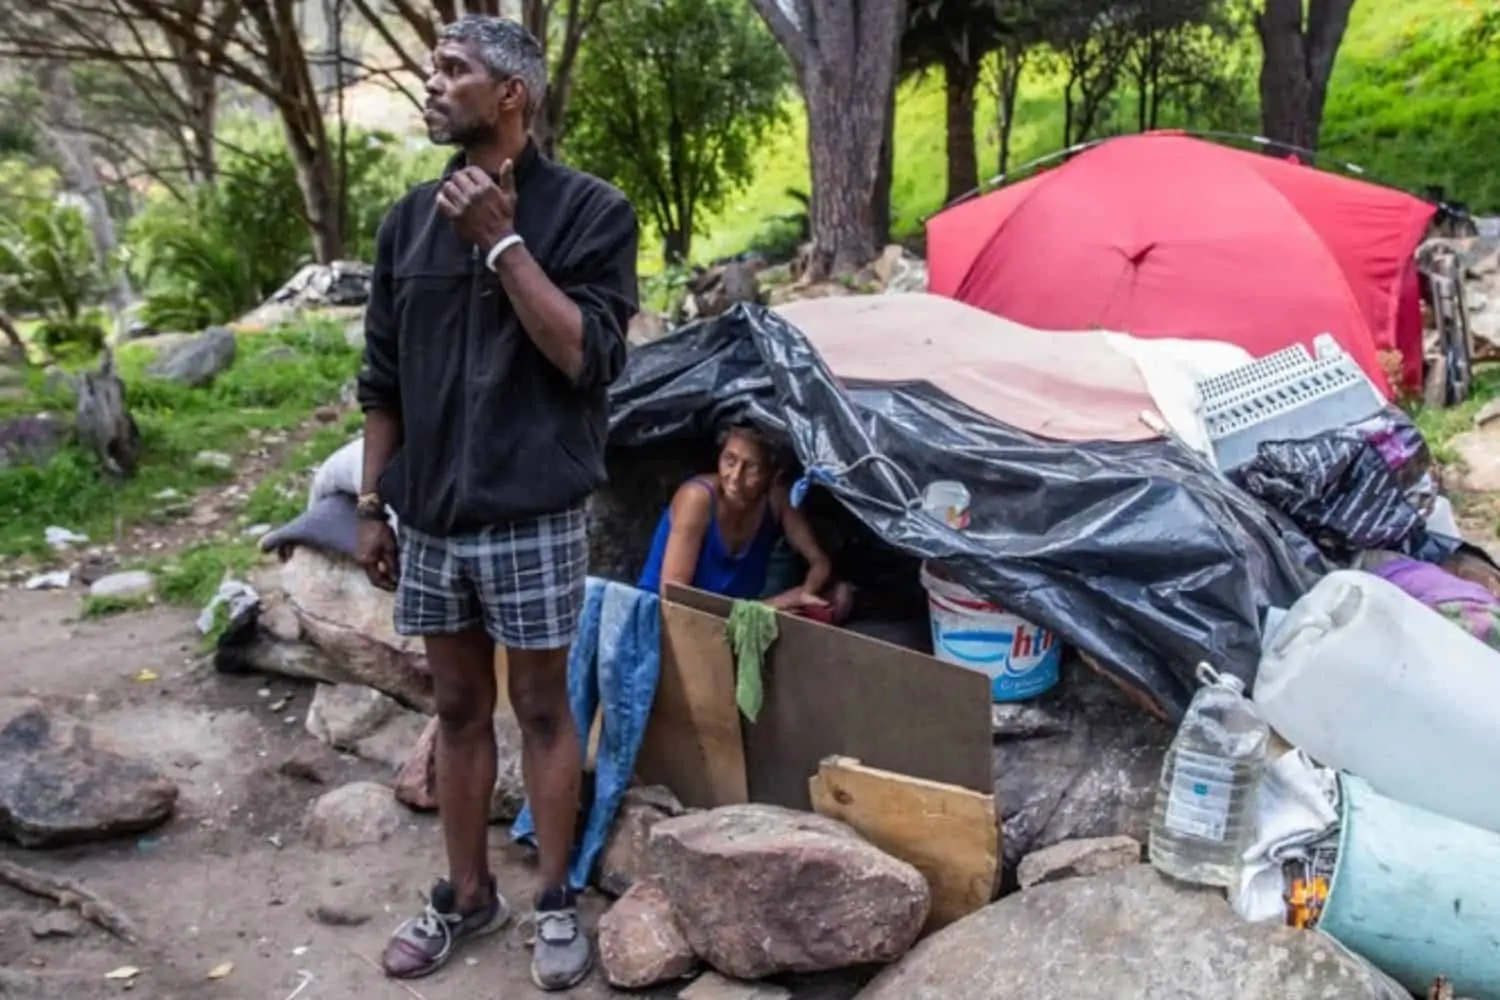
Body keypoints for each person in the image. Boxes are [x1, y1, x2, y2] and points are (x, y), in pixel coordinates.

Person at [353, 14, 638, 992]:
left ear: (510, 94)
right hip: (430, 521)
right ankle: (467, 894)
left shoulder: (593, 214)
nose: (432, 85)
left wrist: (503, 242)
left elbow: (586, 356)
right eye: (433, 68)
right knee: (461, 705)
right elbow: (381, 378)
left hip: (533, 514)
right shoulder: (403, 223)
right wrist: (367, 504)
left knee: (544, 708)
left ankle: (554, 898)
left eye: (454, 70)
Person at [637, 425, 853, 621]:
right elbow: (674, 598)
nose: (734, 476)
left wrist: (807, 591)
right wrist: (774, 604)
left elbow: (819, 561)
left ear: (773, 475)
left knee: (841, 596)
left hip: (731, 622)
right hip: (669, 622)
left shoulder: (776, 502)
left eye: (751, 468)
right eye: (729, 460)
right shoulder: (697, 499)